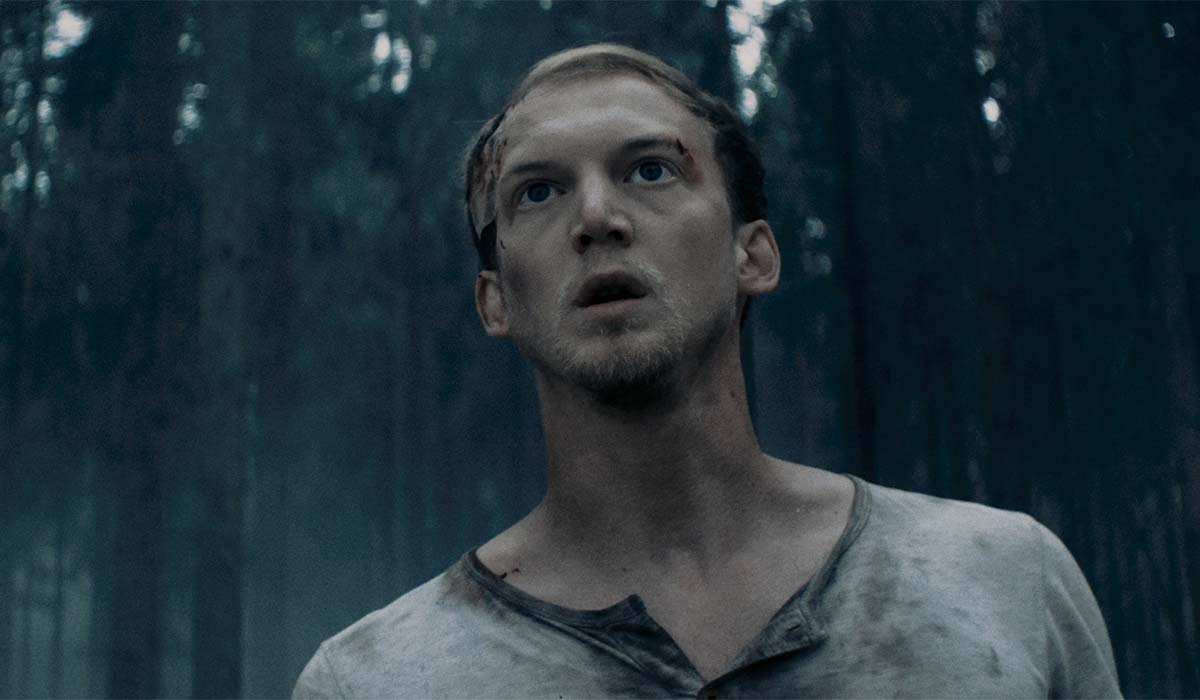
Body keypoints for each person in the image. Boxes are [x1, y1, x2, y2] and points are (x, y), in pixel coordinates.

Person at [292, 43, 1121, 699]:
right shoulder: (373, 681)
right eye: (538, 192)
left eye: (650, 170)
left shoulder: (1004, 580)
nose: (597, 218)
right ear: (496, 299)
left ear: (751, 255)